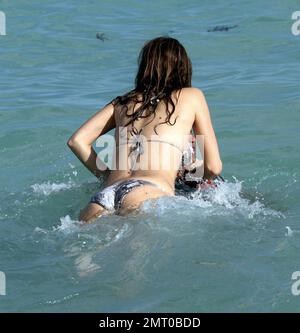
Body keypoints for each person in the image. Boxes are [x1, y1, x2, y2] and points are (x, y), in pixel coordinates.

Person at [67, 36, 222, 223]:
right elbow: (213, 167)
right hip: (146, 192)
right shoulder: (192, 96)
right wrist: (191, 177)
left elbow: (77, 141)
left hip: (105, 195)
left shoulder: (122, 102)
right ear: (183, 67)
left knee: (79, 249)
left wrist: (108, 177)